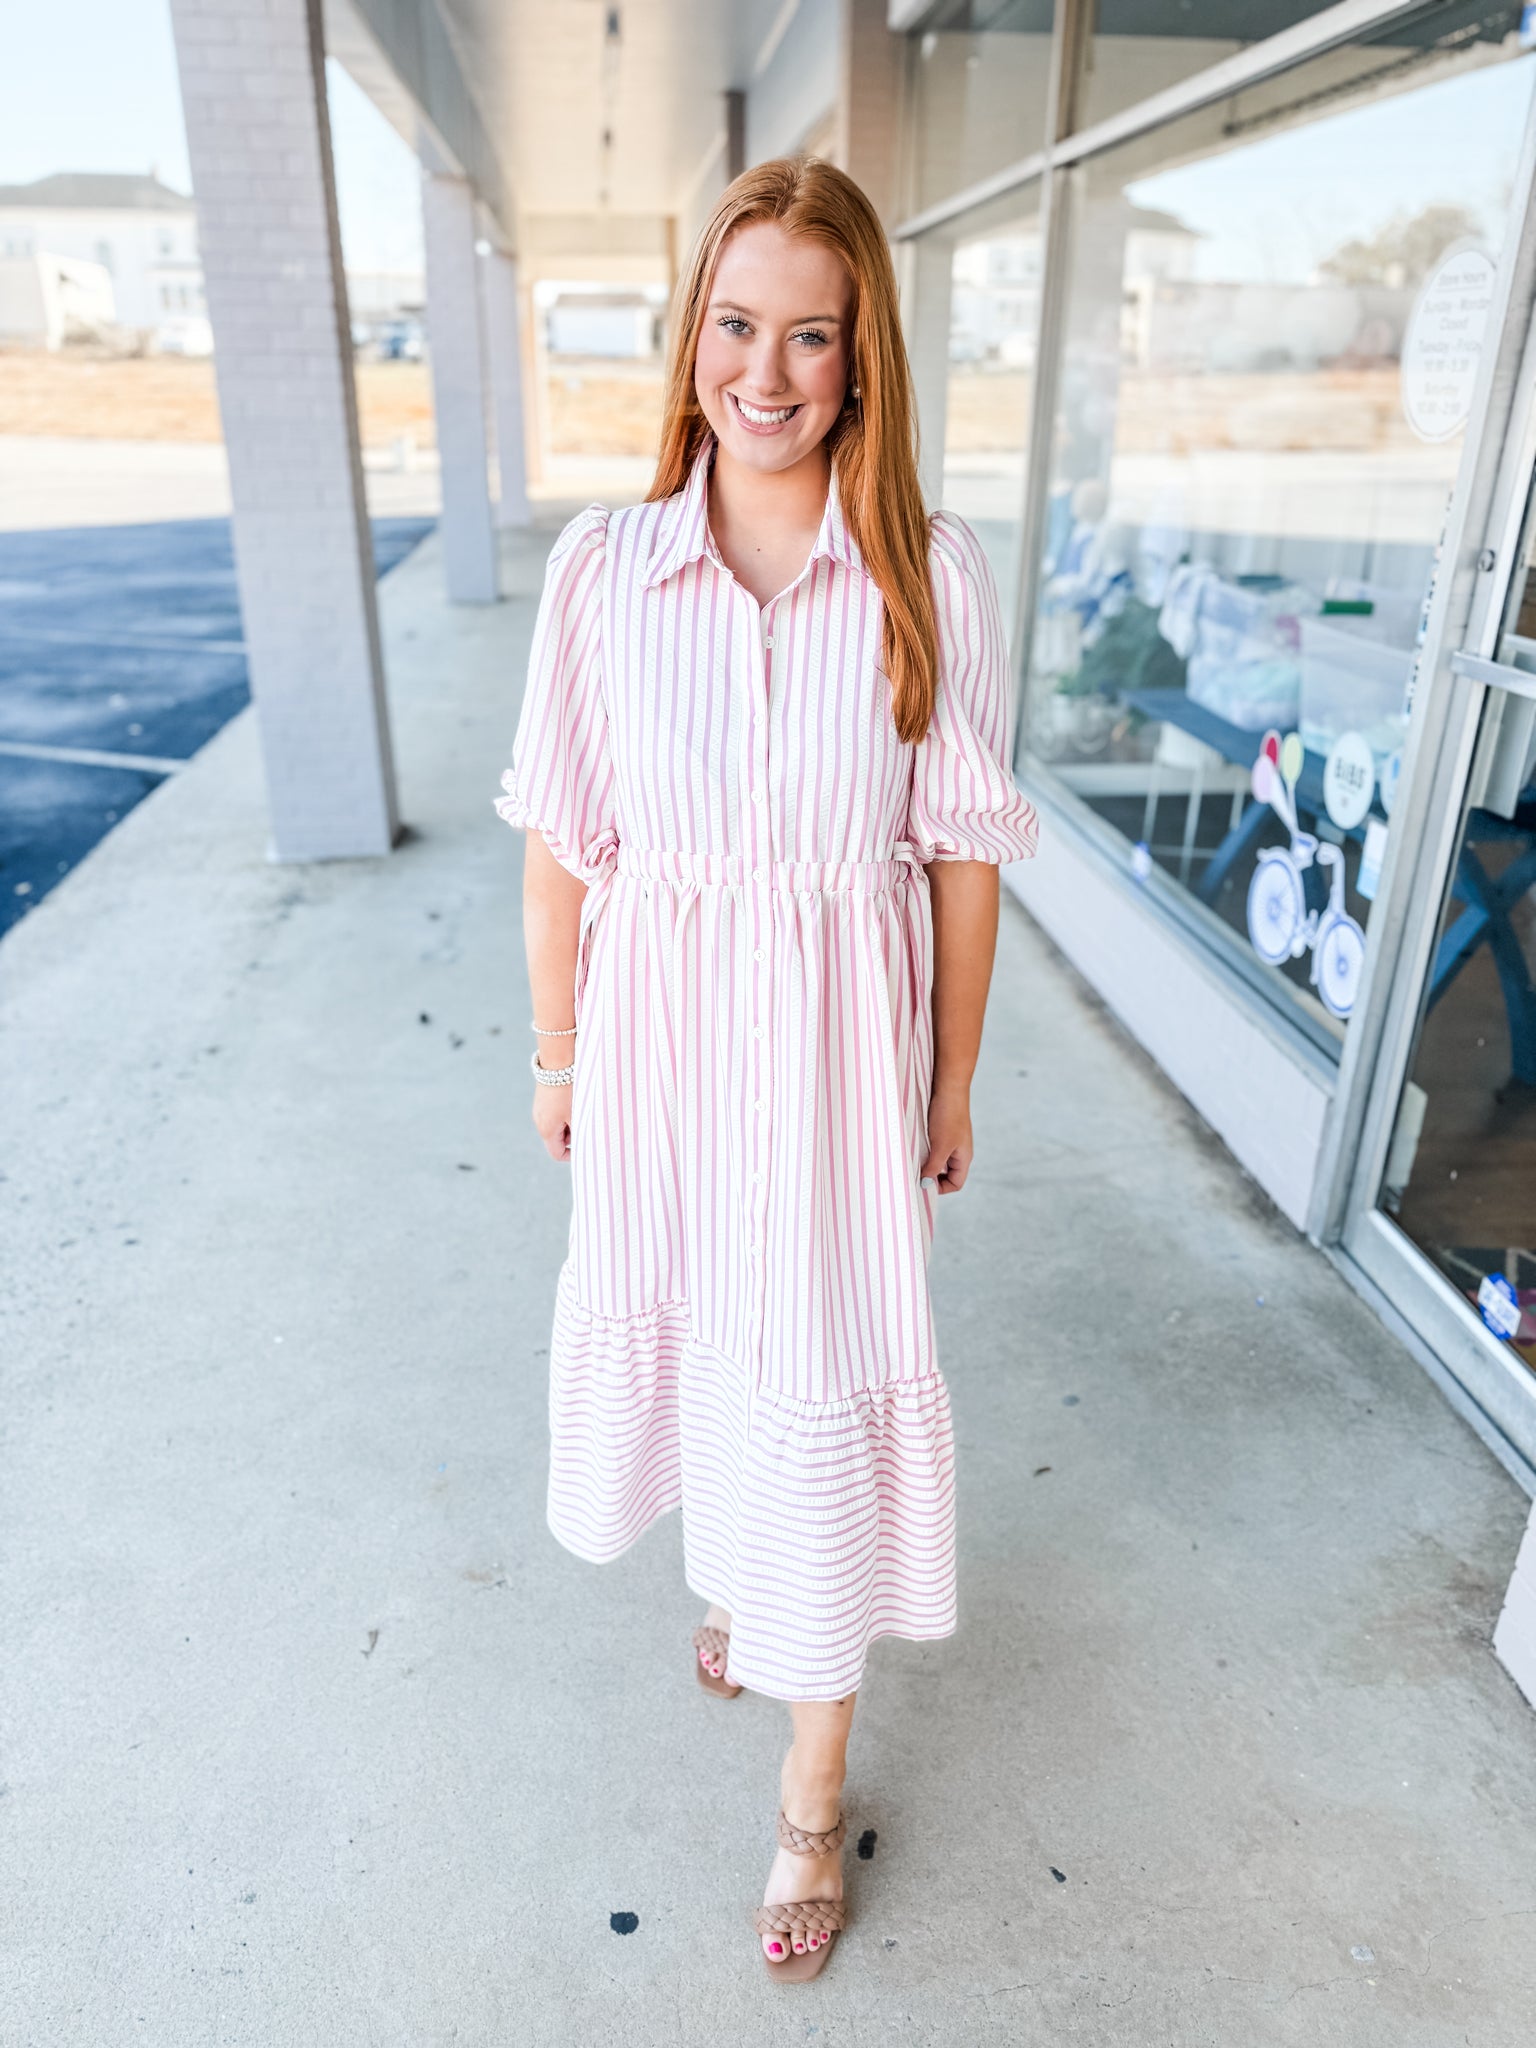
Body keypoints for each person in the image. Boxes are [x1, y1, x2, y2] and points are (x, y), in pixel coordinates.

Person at [496, 155, 1038, 1982]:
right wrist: (561, 1052)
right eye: (738, 324)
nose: (769, 369)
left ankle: (811, 1792)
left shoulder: (930, 574)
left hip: (833, 1065)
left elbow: (961, 858)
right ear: (691, 340)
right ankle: (745, 1575)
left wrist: (951, 1083)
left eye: (813, 333)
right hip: (655, 1049)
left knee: (810, 1364)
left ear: (863, 351)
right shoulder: (605, 569)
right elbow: (561, 842)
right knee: (707, 1328)